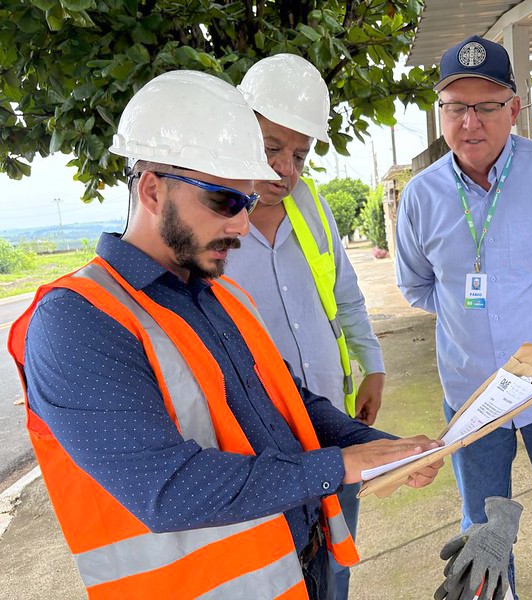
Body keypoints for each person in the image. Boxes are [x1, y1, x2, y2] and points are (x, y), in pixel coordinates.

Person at [8, 70, 443, 600]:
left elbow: (290, 404)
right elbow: (166, 488)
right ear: (151, 190)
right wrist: (340, 464)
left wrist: (375, 445)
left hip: (299, 567)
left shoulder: (222, 297)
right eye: (223, 202)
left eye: (246, 201)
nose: (241, 225)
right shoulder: (77, 321)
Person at [394, 35, 532, 599]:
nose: (470, 122)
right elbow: (418, 287)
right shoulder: (420, 196)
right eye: (455, 106)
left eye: (487, 106)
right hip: (471, 395)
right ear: (439, 111)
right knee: (481, 533)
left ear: (513, 109)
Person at [227, 54, 384, 600]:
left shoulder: (312, 206)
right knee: (280, 574)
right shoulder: (209, 225)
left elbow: (345, 297)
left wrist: (373, 367)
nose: (285, 169)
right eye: (271, 148)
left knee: (337, 562)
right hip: (258, 444)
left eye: (299, 154)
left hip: (330, 420)